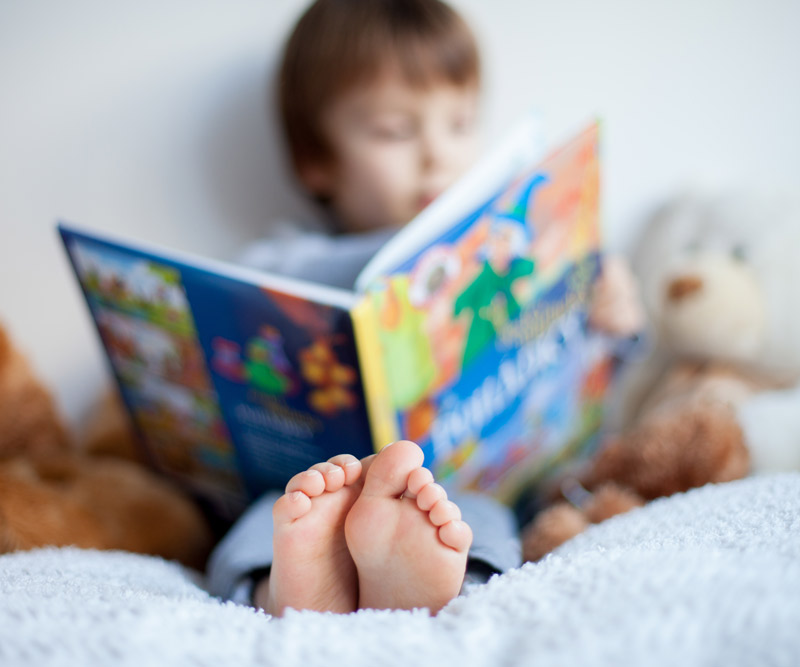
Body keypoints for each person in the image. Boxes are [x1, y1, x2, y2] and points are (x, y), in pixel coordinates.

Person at [206, 0, 523, 617]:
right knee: (267, 520)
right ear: (315, 160)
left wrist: (614, 318)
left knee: (478, 516)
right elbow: (260, 274)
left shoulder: (506, 249)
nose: (439, 155)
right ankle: (292, 586)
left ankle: (437, 580)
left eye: (460, 123)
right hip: (310, 477)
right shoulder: (291, 256)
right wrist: (401, 254)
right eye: (395, 131)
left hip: (455, 477)